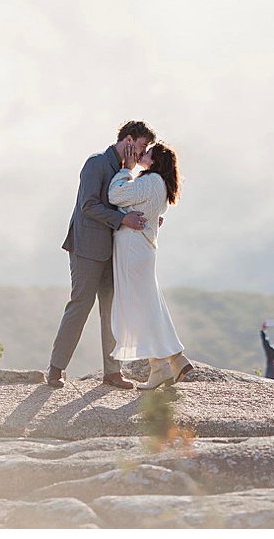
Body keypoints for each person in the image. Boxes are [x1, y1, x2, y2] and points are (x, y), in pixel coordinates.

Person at [45, 121, 158, 389]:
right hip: (87, 247)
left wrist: (150, 218)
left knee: (111, 310)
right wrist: (123, 219)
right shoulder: (96, 163)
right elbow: (88, 205)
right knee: (80, 305)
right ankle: (56, 369)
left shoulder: (125, 170)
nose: (142, 153)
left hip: (115, 249)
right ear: (128, 140)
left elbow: (130, 201)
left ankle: (112, 372)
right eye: (142, 146)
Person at [104, 141, 192, 390]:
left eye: (147, 153)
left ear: (156, 161)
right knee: (149, 303)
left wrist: (126, 169)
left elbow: (115, 195)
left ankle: (166, 362)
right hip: (140, 249)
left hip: (133, 249)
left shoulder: (150, 181)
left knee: (143, 305)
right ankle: (169, 361)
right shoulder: (157, 184)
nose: (142, 154)